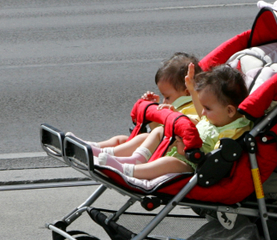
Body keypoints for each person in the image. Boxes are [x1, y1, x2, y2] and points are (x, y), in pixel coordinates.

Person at [101, 64, 251, 181]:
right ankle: (135, 158)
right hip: (180, 147)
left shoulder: (233, 132)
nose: (203, 113)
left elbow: (215, 160)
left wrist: (186, 153)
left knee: (169, 163)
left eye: (208, 108)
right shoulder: (217, 117)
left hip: (191, 163)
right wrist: (191, 91)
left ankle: (127, 170)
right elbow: (200, 113)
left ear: (230, 111)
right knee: (159, 130)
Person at [88, 52, 199, 163]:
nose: (164, 101)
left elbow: (196, 127)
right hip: (160, 145)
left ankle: (106, 156)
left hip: (172, 152)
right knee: (122, 139)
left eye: (167, 97)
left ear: (187, 92)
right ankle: (94, 148)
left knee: (143, 137)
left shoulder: (194, 108)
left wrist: (177, 116)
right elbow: (157, 131)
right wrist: (154, 113)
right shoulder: (173, 107)